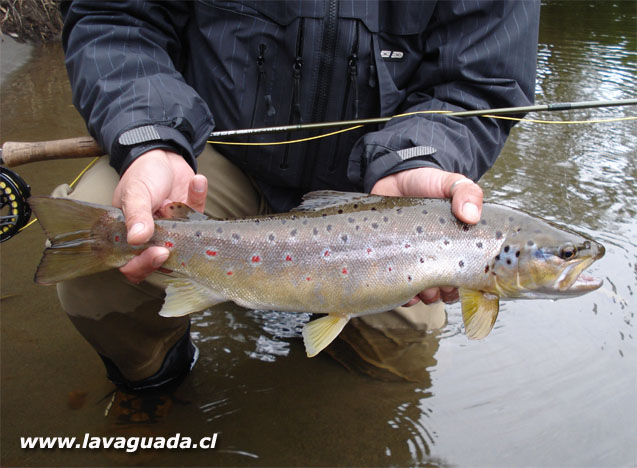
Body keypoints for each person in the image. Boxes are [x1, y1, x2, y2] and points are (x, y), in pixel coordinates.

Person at [57, 0, 540, 392]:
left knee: (403, 346)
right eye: (561, 256)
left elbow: (477, 85)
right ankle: (155, 380)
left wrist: (417, 158)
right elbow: (117, 16)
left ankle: (331, 377)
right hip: (211, 156)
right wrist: (152, 138)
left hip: (377, 186)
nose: (565, 261)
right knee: (105, 258)